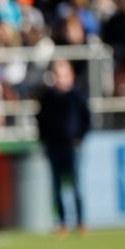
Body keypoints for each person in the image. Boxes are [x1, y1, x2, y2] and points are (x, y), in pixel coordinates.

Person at [35, 59, 90, 234]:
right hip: (53, 146)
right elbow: (41, 121)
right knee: (56, 187)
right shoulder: (48, 97)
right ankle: (62, 223)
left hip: (71, 146)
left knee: (76, 185)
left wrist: (79, 138)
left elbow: (87, 120)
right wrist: (44, 141)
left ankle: (80, 222)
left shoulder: (77, 96)